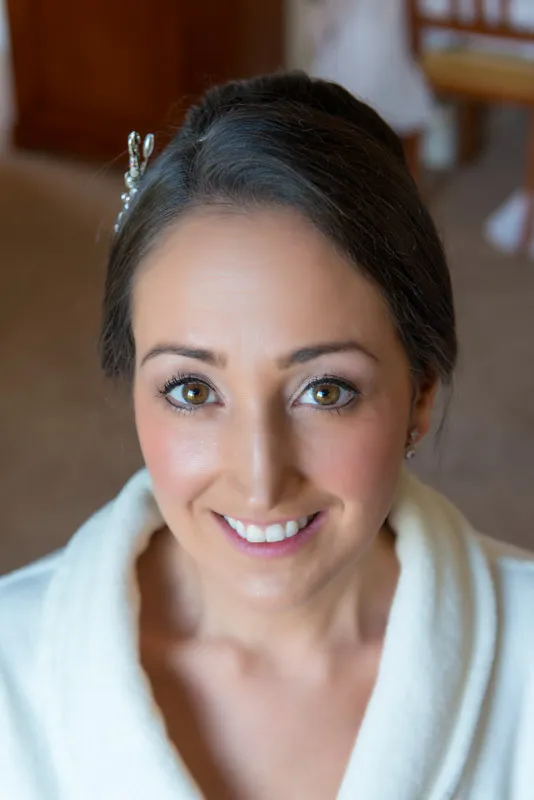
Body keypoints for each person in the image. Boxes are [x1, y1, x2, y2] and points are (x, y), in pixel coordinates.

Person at [0, 71, 533, 800]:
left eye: (324, 391)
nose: (260, 478)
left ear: (421, 395)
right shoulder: (12, 672)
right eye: (192, 390)